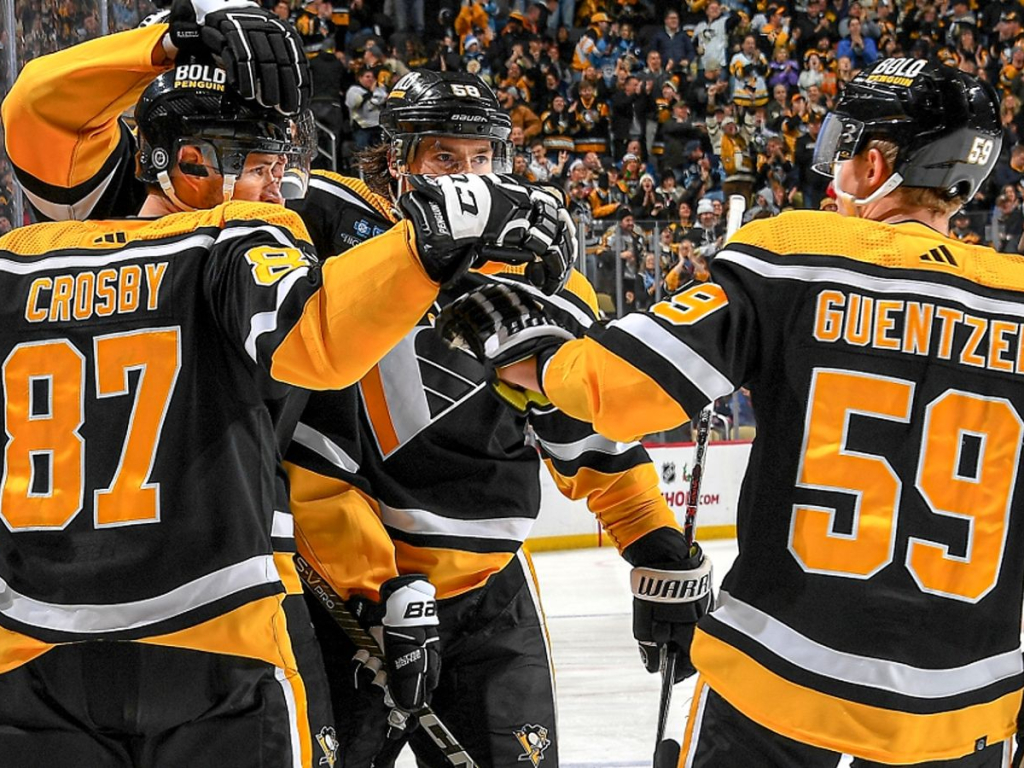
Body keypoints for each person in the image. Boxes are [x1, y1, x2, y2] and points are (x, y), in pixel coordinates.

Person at [1, 21, 575, 768]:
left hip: (29, 645)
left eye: (282, 166)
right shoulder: (237, 242)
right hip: (217, 629)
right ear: (188, 162)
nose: (280, 190)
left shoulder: (16, 261)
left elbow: (34, 109)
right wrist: (426, 247)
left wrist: (167, 42)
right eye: (261, 166)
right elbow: (319, 340)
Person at [439, 59, 1020, 767]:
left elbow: (618, 391)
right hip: (967, 705)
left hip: (781, 678)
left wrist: (534, 354)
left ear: (873, 164)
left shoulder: (795, 255)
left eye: (844, 147)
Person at [284, 68, 698, 768]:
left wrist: (654, 543)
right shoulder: (328, 231)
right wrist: (373, 589)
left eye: (481, 158)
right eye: (444, 157)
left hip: (487, 598)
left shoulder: (536, 267)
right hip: (345, 600)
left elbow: (583, 429)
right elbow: (303, 445)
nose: (467, 176)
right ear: (395, 159)